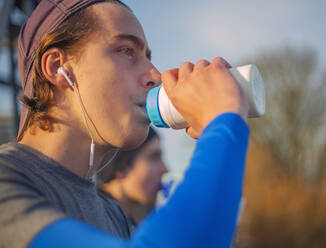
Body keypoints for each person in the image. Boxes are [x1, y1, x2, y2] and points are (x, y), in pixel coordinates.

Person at [0, 0, 250, 247]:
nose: (156, 75)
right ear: (57, 68)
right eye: (127, 50)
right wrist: (222, 124)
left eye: (148, 57)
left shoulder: (114, 216)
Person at [97, 127, 168, 225]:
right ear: (121, 168)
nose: (165, 169)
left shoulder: (127, 224)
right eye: (154, 157)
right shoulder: (92, 221)